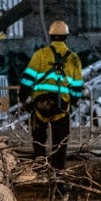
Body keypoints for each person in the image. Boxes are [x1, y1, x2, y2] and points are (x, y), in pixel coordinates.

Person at [19, 21, 84, 169]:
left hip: (40, 105)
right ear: (66, 36)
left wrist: (24, 99)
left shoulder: (40, 55)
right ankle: (58, 175)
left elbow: (27, 79)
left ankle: (40, 170)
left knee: (38, 140)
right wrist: (72, 100)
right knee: (60, 144)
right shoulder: (73, 58)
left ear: (51, 36)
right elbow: (77, 87)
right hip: (61, 107)